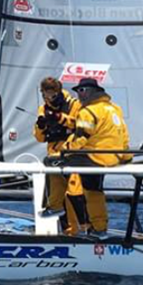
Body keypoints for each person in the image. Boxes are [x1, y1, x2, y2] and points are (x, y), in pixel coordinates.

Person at [62, 77, 131, 238]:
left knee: (60, 177)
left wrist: (63, 152)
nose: (79, 95)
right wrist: (127, 157)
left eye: (81, 90)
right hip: (113, 157)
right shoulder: (115, 108)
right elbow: (124, 136)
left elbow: (81, 137)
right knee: (95, 189)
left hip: (95, 158)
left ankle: (85, 227)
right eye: (77, 91)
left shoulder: (88, 112)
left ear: (91, 92)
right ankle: (97, 227)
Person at [32, 77, 86, 234]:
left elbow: (80, 124)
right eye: (44, 95)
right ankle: (68, 232)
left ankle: (84, 229)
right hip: (54, 155)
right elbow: (40, 137)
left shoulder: (74, 105)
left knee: (75, 193)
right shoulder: (43, 108)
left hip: (71, 153)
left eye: (51, 96)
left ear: (58, 93)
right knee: (58, 199)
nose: (48, 99)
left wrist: (59, 118)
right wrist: (40, 126)